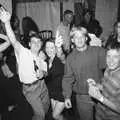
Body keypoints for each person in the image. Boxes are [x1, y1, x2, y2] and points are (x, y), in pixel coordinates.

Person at [0, 7, 49, 120]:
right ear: (29, 44)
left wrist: (43, 74)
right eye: (34, 42)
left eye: (39, 42)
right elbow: (13, 40)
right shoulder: (23, 53)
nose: (36, 43)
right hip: (30, 89)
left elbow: (46, 72)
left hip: (42, 86)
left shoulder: (42, 57)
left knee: (46, 108)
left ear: (41, 44)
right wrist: (7, 22)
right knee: (40, 115)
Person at [62, 26, 106, 120]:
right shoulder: (70, 58)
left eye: (82, 36)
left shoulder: (98, 51)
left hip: (101, 92)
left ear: (86, 38)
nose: (79, 39)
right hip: (82, 97)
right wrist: (67, 97)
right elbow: (67, 79)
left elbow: (111, 66)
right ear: (72, 40)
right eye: (76, 37)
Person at [88, 43, 120, 120]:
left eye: (115, 57)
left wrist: (100, 98)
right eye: (108, 56)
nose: (111, 60)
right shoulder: (108, 69)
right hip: (100, 113)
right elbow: (106, 87)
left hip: (112, 117)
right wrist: (96, 85)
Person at [45, 39, 65, 120]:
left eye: (52, 47)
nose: (49, 50)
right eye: (47, 47)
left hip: (62, 92)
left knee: (55, 115)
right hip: (52, 91)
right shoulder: (46, 61)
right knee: (55, 114)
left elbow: (62, 56)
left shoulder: (60, 59)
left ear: (56, 48)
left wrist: (59, 48)